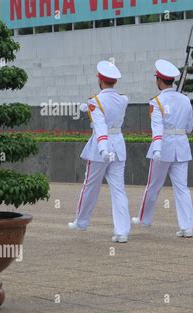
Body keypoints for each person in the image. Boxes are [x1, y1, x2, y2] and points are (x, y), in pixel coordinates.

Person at [68, 61, 131, 243]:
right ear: (115, 82)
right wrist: (89, 108)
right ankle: (122, 231)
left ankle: (81, 222)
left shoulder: (95, 101)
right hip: (118, 145)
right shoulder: (123, 99)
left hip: (100, 148)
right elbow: (110, 110)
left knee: (90, 186)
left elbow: (101, 126)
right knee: (118, 189)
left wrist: (103, 149)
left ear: (100, 80)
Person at [132, 59, 193, 238]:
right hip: (181, 147)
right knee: (182, 188)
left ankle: (145, 218)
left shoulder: (156, 102)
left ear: (159, 80)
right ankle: (186, 226)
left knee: (153, 186)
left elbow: (157, 127)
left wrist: (157, 148)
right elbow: (189, 127)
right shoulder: (185, 100)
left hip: (163, 148)